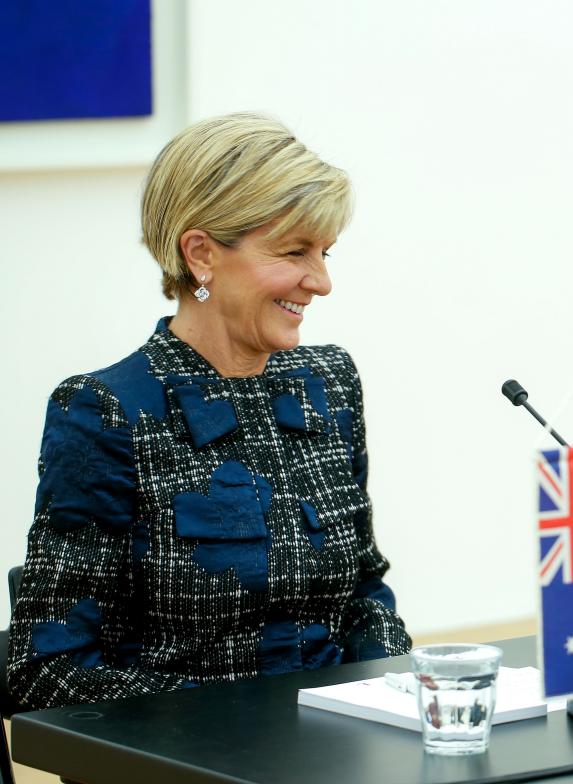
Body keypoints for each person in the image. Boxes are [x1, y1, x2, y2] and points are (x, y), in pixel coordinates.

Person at [7, 113, 411, 711]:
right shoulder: (107, 411)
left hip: (338, 752)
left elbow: (363, 593)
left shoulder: (328, 383)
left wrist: (394, 688)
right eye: (295, 251)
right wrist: (239, 725)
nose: (321, 282)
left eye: (325, 252)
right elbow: (47, 671)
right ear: (200, 254)